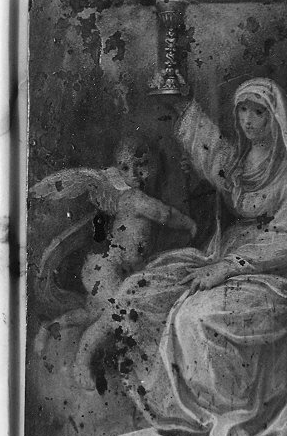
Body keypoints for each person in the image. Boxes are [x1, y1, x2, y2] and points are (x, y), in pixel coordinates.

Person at [112, 78, 287, 436]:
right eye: (242, 110)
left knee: (192, 316)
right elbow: (212, 153)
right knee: (137, 294)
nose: (248, 120)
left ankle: (209, 422)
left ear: (276, 116)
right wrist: (184, 107)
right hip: (224, 255)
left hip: (276, 277)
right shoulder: (240, 161)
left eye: (258, 112)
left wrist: (228, 267)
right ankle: (178, 419)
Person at [30, 142, 196, 386]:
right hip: (104, 267)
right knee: (114, 314)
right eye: (125, 168)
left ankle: (50, 326)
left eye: (142, 166)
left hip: (103, 268)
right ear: (117, 171)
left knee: (92, 313)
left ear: (154, 165)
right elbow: (165, 215)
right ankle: (82, 362)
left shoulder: (135, 196)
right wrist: (189, 224)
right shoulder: (134, 198)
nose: (134, 174)